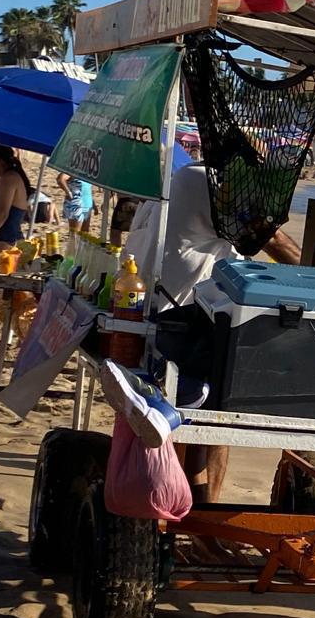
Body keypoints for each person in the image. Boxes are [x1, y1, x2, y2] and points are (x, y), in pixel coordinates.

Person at [123, 163, 301, 505]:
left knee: (222, 385)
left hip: (156, 317)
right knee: (231, 396)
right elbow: (270, 238)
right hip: (176, 325)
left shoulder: (181, 175)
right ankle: (204, 512)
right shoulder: (208, 182)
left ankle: (200, 509)